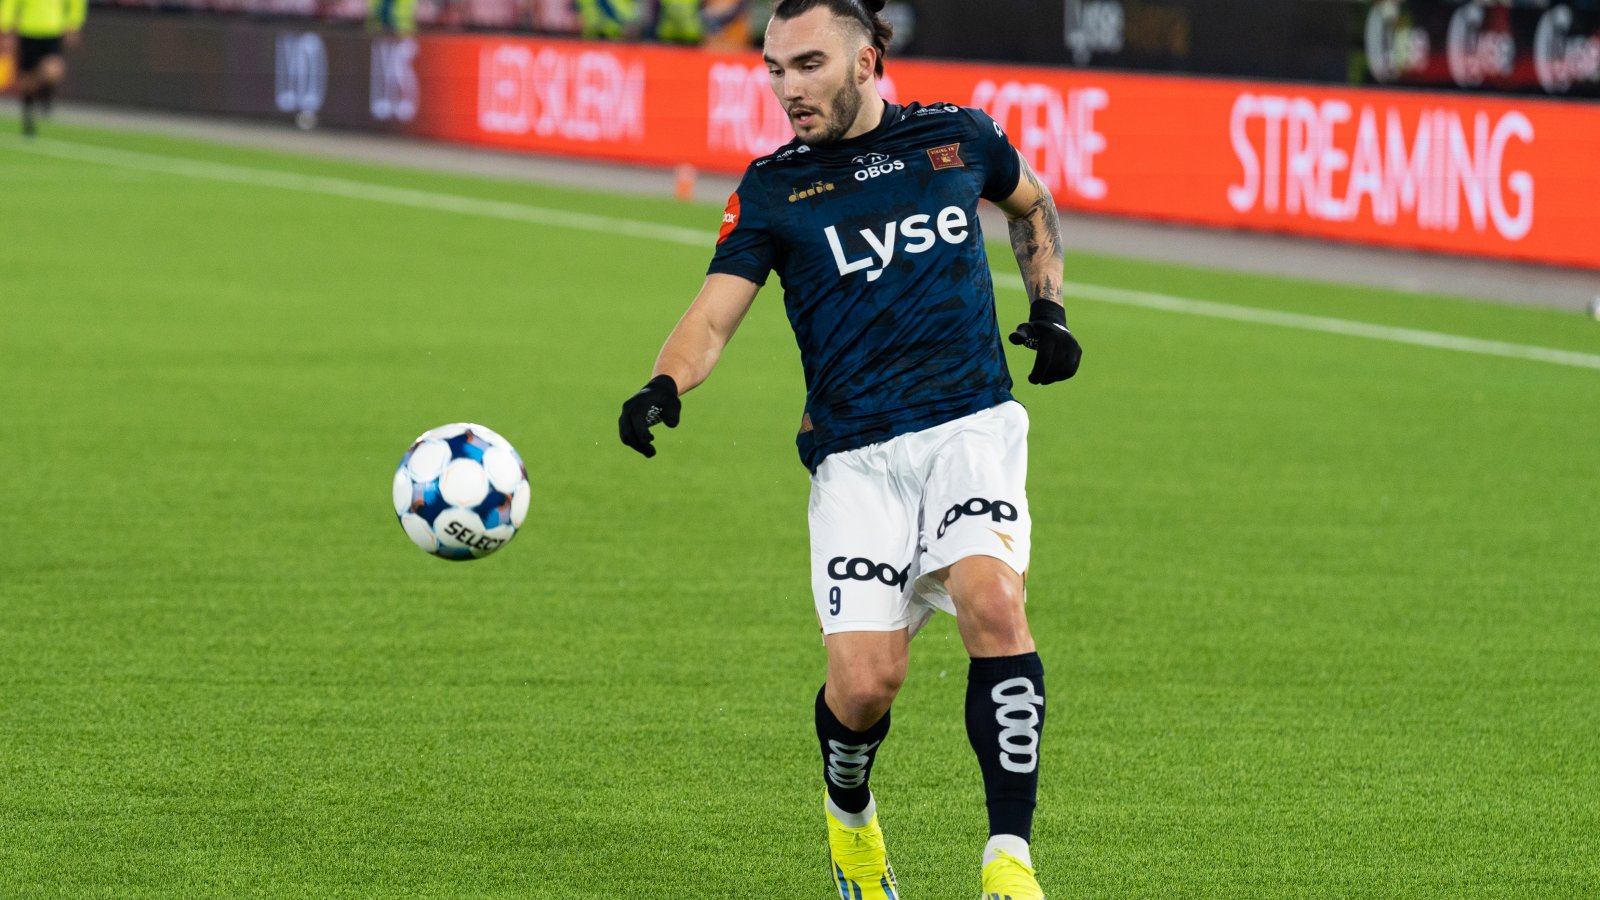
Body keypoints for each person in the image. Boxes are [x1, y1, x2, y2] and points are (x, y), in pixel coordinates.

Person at [617, 0, 1082, 896]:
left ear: (866, 62)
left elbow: (1031, 202)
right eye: (776, 69)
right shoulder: (773, 189)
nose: (788, 88)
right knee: (868, 685)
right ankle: (851, 820)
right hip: (857, 455)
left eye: (809, 65)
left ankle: (1009, 861)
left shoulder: (958, 136)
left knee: (995, 602)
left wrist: (1050, 308)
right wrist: (664, 384)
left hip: (969, 425)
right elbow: (712, 317)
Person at [1, 0, 85, 137]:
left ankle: (45, 94)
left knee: (53, 71)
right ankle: (28, 114)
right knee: (27, 80)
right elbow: (10, 2)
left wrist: (73, 24)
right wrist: (6, 27)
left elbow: (76, 2)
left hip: (53, 29)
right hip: (28, 30)